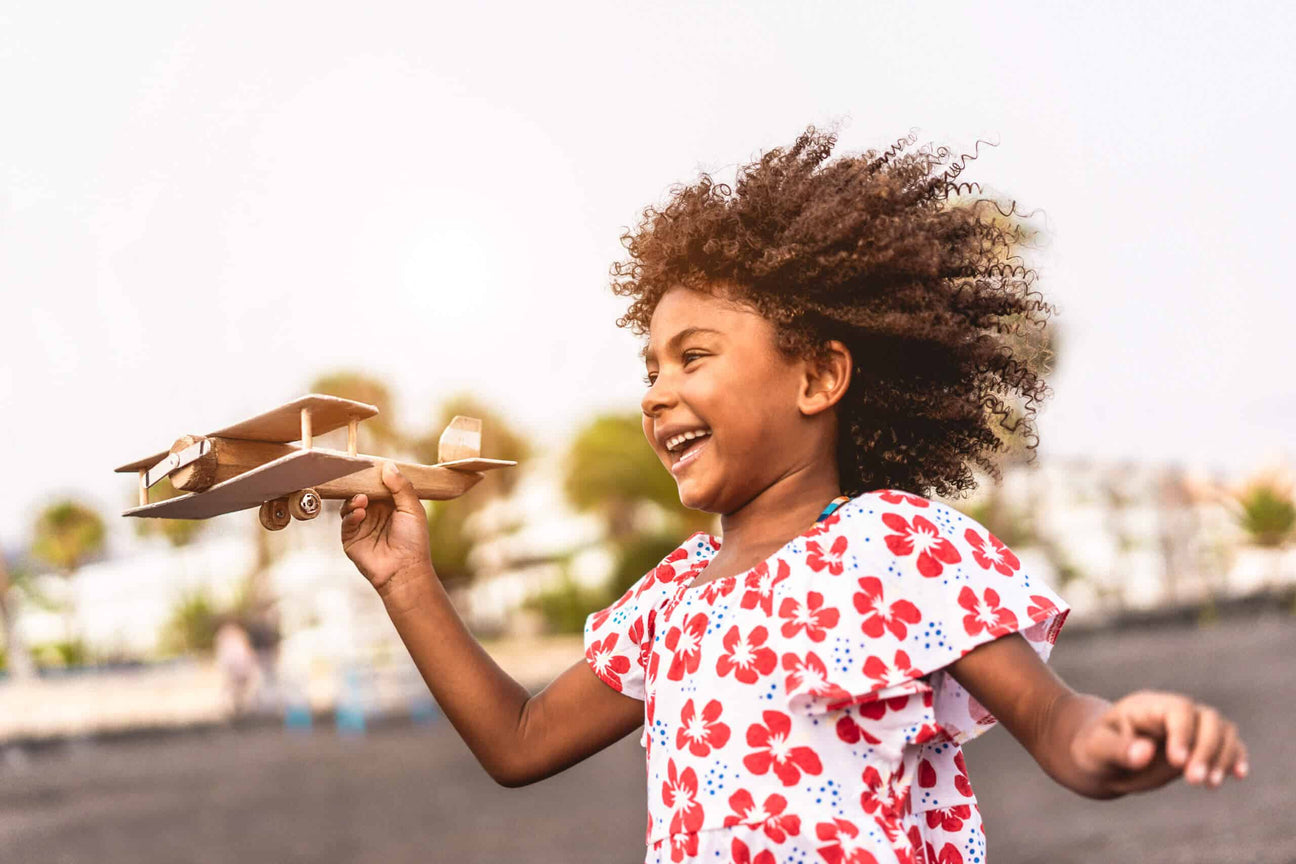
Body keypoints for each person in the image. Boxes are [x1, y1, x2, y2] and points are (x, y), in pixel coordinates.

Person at [338, 126, 1248, 864]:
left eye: (694, 356)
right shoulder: (670, 599)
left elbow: (1054, 721)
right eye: (650, 366)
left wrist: (1118, 739)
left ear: (819, 376)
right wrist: (407, 582)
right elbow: (521, 740)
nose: (655, 392)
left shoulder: (894, 546)